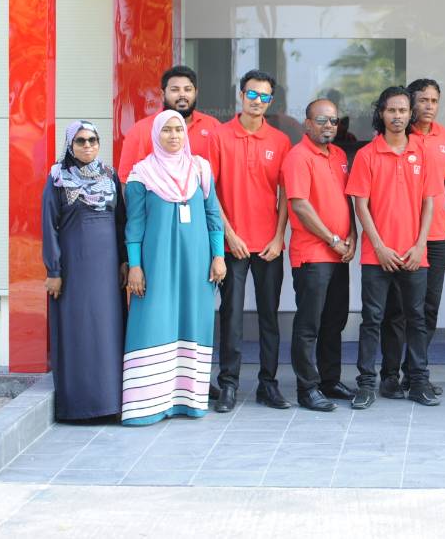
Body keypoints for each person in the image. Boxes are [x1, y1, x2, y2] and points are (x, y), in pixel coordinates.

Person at [121, 110, 226, 425]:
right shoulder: (141, 175)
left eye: (178, 130)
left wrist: (218, 256)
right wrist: (135, 266)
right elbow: (134, 226)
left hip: (197, 264)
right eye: (166, 130)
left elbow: (213, 216)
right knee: (153, 322)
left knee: (193, 321)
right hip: (157, 263)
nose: (173, 136)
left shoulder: (200, 169)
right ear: (156, 135)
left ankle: (188, 401)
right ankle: (146, 405)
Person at [346, 86, 443, 409]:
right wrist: (379, 247)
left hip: (415, 254)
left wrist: (420, 245)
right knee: (372, 320)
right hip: (377, 255)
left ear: (410, 114)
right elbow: (361, 205)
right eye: (392, 110)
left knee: (416, 319)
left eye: (403, 110)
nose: (398, 116)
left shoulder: (423, 153)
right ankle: (366, 384)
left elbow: (429, 203)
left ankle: (418, 382)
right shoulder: (367, 154)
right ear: (381, 113)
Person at [206, 70, 292, 412]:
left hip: (269, 245)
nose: (257, 101)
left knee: (270, 316)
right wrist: (229, 234)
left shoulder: (280, 141)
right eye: (252, 94)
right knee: (231, 317)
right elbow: (209, 191)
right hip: (232, 245)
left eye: (264, 96)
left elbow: (285, 195)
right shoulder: (219, 136)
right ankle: (228, 384)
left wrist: (279, 236)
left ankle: (268, 384)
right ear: (241, 95)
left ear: (271, 101)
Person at [41, 120, 126, 421]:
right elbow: (49, 226)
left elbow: (121, 221)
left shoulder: (110, 175)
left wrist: (125, 261)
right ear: (70, 145)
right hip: (74, 271)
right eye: (80, 141)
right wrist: (54, 270)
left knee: (107, 331)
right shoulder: (58, 178)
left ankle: (110, 404)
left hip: (107, 272)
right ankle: (80, 407)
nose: (87, 145)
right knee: (79, 331)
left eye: (92, 140)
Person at [380, 78, 445, 398]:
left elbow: (442, 188)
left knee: (427, 309)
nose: (429, 106)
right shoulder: (399, 136)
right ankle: (389, 375)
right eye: (423, 100)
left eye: (434, 101)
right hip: (403, 238)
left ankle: (415, 374)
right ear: (410, 105)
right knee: (397, 311)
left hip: (435, 237)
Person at [283, 98, 357, 412]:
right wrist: (333, 239)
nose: (328, 126)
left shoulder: (339, 155)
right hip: (313, 255)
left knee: (334, 321)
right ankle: (307, 387)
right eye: (322, 120)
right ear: (307, 124)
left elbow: (346, 200)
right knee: (309, 324)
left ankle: (329, 380)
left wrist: (352, 236)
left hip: (339, 254)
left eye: (333, 121)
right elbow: (300, 205)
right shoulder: (298, 157)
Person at [116, 65, 220, 181]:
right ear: (162, 94)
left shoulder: (213, 127)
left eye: (187, 89)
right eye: (175, 90)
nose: (182, 94)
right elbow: (126, 180)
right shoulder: (140, 130)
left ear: (195, 93)